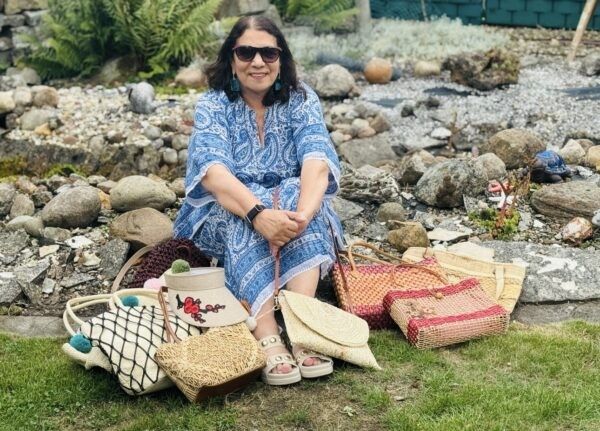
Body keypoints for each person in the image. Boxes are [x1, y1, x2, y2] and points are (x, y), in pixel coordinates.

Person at [173, 16, 344, 386]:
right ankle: (265, 330)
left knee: (303, 197)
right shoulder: (213, 104)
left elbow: (317, 161)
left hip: (289, 207)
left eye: (268, 53)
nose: (258, 62)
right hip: (229, 208)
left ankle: (302, 323)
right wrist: (258, 213)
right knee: (240, 215)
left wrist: (300, 217)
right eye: (246, 52)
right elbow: (214, 174)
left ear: (280, 58)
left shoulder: (301, 99)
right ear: (231, 58)